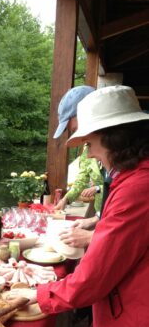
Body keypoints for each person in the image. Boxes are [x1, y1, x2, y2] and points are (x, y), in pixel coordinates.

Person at [9, 85, 149, 327]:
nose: (87, 154)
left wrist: (35, 294)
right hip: (135, 320)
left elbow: (93, 279)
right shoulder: (133, 177)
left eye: (89, 143)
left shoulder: (136, 187)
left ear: (112, 137)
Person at [52, 85, 104, 249]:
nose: (79, 139)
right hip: (104, 218)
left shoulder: (137, 173)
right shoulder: (89, 150)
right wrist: (96, 218)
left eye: (73, 129)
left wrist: (91, 237)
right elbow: (81, 180)